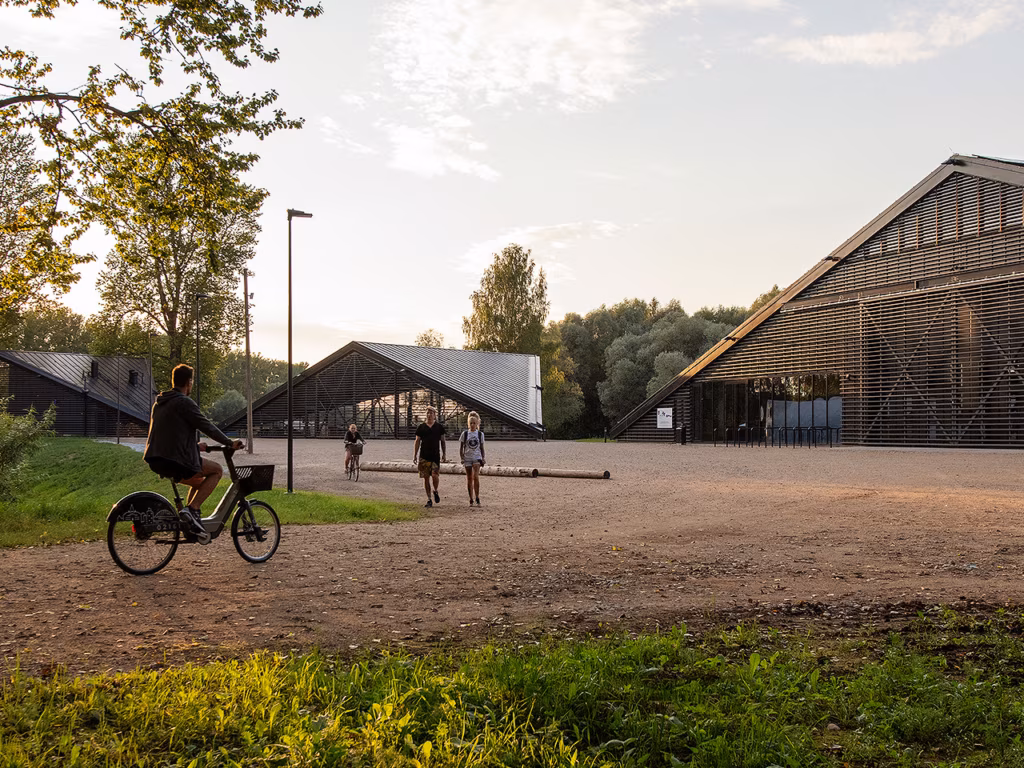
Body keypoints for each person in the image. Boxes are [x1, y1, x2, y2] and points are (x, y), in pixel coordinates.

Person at [143, 363, 243, 542]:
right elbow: (207, 426)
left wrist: (195, 446)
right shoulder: (184, 402)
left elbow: (170, 433)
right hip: (175, 460)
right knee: (217, 470)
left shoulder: (160, 402)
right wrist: (229, 443)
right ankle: (193, 510)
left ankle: (189, 522)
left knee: (198, 483)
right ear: (189, 382)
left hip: (157, 458)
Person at [413, 405, 446, 507]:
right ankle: (429, 499)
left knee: (435, 475)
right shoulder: (421, 427)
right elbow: (417, 441)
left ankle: (435, 490)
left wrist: (444, 454)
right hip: (424, 456)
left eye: (431, 413)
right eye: (427, 413)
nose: (429, 415)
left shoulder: (439, 427)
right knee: (426, 478)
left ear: (435, 415)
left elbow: (443, 441)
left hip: (435, 456)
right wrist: (415, 455)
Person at [459, 411, 485, 506]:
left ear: (477, 423)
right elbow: (461, 447)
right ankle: (471, 498)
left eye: (474, 423)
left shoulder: (480, 434)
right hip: (467, 457)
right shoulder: (465, 434)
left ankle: (477, 496)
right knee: (469, 478)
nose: (473, 425)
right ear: (468, 424)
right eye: (471, 423)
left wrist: (483, 457)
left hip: (476, 457)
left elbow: (482, 447)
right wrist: (462, 457)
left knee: (476, 477)